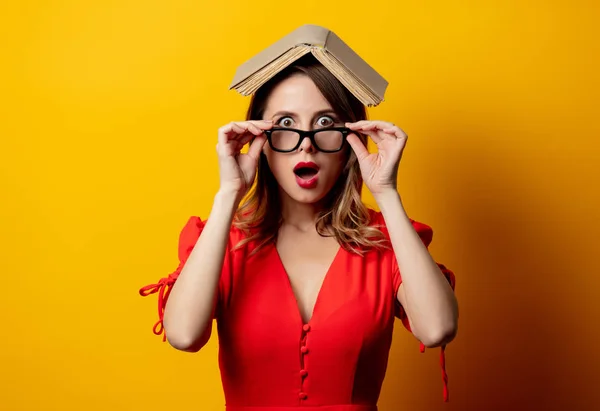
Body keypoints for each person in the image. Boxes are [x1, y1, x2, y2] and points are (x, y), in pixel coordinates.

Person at [140, 54, 458, 410]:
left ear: (351, 139)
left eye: (326, 122)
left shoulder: (387, 241)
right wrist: (229, 192)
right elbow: (183, 335)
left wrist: (386, 193)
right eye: (286, 123)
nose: (306, 143)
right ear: (259, 139)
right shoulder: (223, 243)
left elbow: (437, 329)